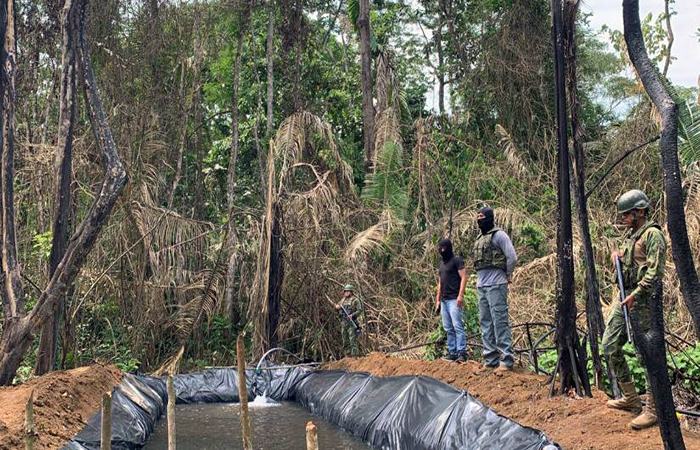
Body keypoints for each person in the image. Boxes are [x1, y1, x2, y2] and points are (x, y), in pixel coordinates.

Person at [603, 189, 666, 430]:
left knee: (646, 354)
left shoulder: (652, 235)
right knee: (609, 344)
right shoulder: (633, 236)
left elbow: (655, 273)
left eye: (628, 215)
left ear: (640, 211)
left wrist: (636, 294)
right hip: (625, 297)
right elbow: (628, 262)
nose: (624, 219)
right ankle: (631, 398)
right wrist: (617, 257)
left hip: (642, 300)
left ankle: (653, 409)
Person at [473, 206, 517, 372]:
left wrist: (507, 275)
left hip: (496, 284)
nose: (479, 219)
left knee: (500, 321)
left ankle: (506, 360)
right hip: (482, 285)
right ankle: (490, 359)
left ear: (490, 217)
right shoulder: (480, 238)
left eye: (482, 216)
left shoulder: (500, 235)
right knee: (486, 322)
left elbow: (512, 257)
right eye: (478, 216)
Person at [435, 238, 468, 362]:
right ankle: (452, 352)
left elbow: (464, 277)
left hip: (454, 299)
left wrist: (460, 295)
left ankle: (462, 352)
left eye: (444, 248)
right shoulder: (442, 264)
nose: (441, 250)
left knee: (457, 326)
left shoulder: (457, 260)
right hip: (444, 300)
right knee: (448, 328)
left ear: (449, 248)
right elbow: (440, 282)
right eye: (440, 248)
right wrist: (438, 300)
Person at [335, 284, 363, 357]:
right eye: (345, 291)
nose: (346, 293)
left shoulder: (355, 300)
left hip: (351, 322)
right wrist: (337, 308)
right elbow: (338, 308)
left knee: (352, 340)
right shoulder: (342, 301)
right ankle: (347, 355)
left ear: (351, 292)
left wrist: (352, 315)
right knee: (345, 340)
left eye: (348, 291)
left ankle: (355, 356)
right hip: (344, 322)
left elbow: (359, 310)